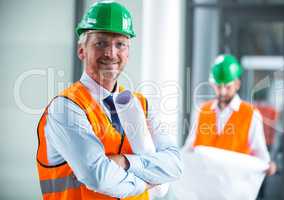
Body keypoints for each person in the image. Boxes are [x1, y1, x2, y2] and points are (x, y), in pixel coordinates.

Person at [36, 1, 182, 200]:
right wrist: (148, 182)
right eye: (100, 43)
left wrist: (125, 162)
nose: (111, 53)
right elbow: (98, 176)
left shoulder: (141, 104)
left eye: (120, 44)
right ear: (82, 50)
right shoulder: (67, 106)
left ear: (128, 53)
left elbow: (175, 164)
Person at [184, 54, 276, 176]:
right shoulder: (202, 111)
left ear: (237, 84)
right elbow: (189, 149)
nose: (222, 92)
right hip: (205, 182)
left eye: (227, 87)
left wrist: (268, 165)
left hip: (234, 185)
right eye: (218, 86)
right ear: (212, 84)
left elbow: (261, 155)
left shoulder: (251, 114)